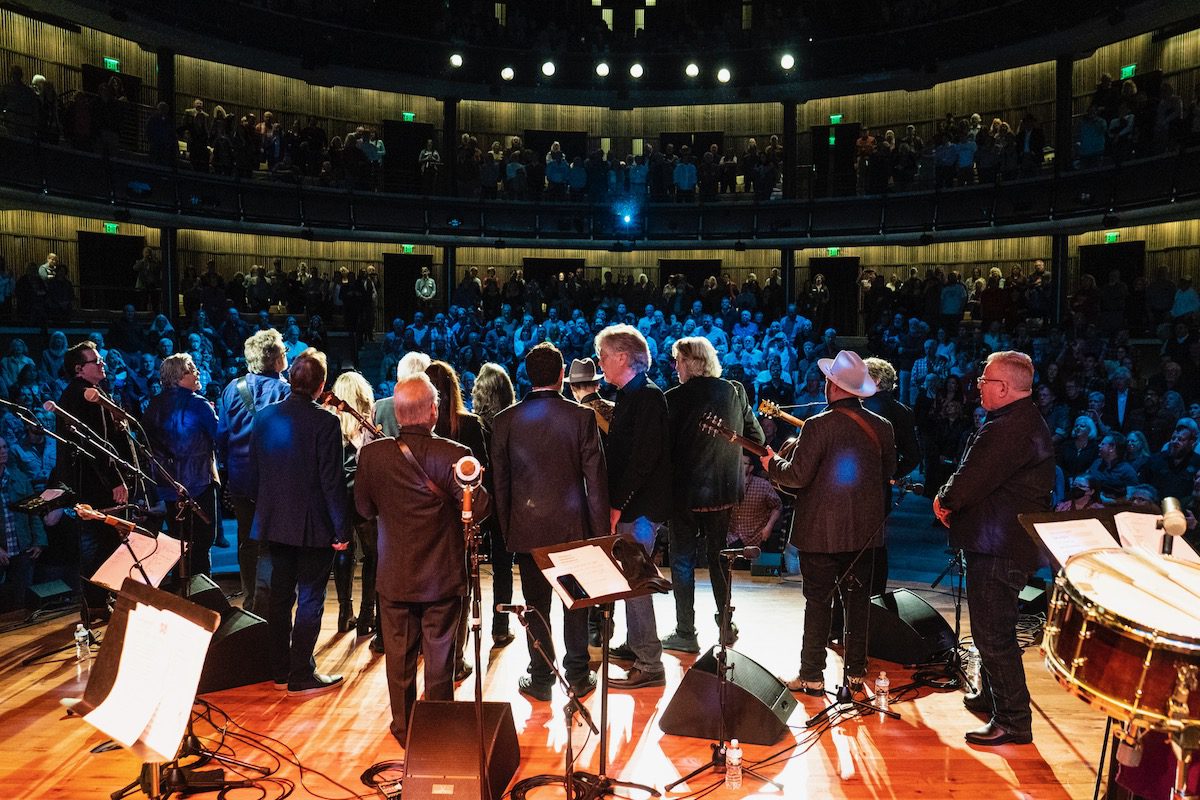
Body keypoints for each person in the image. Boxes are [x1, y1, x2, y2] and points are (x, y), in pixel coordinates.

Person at [355, 372, 490, 744]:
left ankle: (404, 729)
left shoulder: (372, 456)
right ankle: (438, 728)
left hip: (395, 575)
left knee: (398, 660)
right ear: (432, 411)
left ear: (397, 414)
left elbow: (363, 509)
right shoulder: (455, 455)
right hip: (442, 575)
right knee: (441, 659)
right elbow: (480, 510)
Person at [934, 350, 1053, 746]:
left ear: (1002, 388)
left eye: (985, 380)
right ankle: (991, 696)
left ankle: (1014, 721)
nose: (979, 385)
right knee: (989, 628)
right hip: (999, 542)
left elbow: (971, 478)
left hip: (999, 546)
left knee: (994, 634)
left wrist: (945, 500)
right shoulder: (1020, 420)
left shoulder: (1007, 428)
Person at [761, 350, 895, 697]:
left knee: (818, 603)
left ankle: (812, 677)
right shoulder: (882, 427)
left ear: (830, 385)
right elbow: (889, 473)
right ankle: (855, 676)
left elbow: (796, 477)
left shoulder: (818, 426)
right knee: (858, 603)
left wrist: (771, 463)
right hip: (865, 533)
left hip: (820, 532)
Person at [491, 342, 608, 702]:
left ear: (528, 376)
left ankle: (541, 677)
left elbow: (500, 484)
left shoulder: (504, 421)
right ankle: (576, 676)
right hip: (573, 529)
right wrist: (601, 535)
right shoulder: (581, 417)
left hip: (526, 530)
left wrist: (509, 531)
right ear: (561, 376)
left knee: (535, 605)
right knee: (575, 601)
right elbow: (597, 481)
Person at [249, 348, 349, 696]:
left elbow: (254, 471)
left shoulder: (263, 418)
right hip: (313, 524)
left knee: (279, 595)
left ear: (291, 380)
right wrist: (342, 529)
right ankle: (301, 672)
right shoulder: (326, 421)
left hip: (275, 521)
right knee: (310, 597)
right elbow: (331, 481)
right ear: (322, 385)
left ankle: (280, 668)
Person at [663, 336, 763, 653]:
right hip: (722, 492)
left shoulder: (673, 398)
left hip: (683, 495)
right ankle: (725, 627)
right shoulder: (734, 391)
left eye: (678, 360)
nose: (675, 366)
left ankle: (685, 631)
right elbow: (756, 438)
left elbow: (662, 449)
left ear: (692, 362)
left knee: (681, 562)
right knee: (720, 559)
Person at [594, 325, 669, 690]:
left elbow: (642, 460)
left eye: (604, 355)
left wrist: (616, 506)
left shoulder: (648, 398)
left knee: (637, 582)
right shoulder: (629, 395)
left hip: (639, 508)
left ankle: (650, 664)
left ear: (623, 357)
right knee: (630, 580)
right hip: (634, 506)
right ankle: (637, 645)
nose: (600, 362)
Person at [56, 341, 131, 624]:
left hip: (85, 483)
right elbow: (99, 446)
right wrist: (116, 480)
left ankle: (97, 603)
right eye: (95, 361)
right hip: (96, 485)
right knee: (102, 546)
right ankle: (98, 603)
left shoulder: (72, 395)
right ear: (79, 369)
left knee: (97, 545)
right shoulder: (87, 395)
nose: (103, 364)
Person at [216, 330, 290, 614]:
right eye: (283, 352)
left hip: (241, 477)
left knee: (247, 541)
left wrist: (231, 466)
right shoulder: (284, 391)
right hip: (275, 478)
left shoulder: (231, 389)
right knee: (274, 542)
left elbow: (222, 435)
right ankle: (271, 600)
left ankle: (250, 601)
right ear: (274, 358)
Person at [142, 354, 219, 578]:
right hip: (198, 485)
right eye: (191, 370)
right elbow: (220, 435)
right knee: (202, 544)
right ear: (177, 377)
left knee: (179, 545)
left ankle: (182, 600)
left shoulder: (153, 405)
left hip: (168, 486)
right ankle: (202, 601)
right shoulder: (198, 403)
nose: (197, 373)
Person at [328, 370, 380, 642]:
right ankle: (367, 615)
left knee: (343, 550)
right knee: (373, 554)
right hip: (364, 496)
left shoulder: (329, 422)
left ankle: (344, 612)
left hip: (337, 497)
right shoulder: (368, 423)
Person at [471, 362, 517, 648]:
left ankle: (467, 626)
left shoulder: (468, 424)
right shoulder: (511, 421)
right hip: (502, 503)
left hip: (475, 503)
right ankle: (500, 627)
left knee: (469, 566)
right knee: (502, 566)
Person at [0, 437, 46, 612]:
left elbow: (32, 511)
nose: (3, 451)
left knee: (21, 601)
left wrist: (39, 541)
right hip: (2, 549)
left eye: (4, 447)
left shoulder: (19, 478)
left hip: (22, 549)